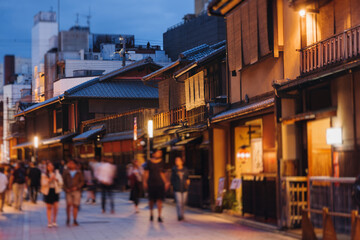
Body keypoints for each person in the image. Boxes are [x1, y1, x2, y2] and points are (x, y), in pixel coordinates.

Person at [143, 150, 169, 222]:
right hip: (151, 183)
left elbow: (163, 173)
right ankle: (151, 214)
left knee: (159, 200)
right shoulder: (149, 162)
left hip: (160, 183)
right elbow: (146, 173)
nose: (159, 154)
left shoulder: (162, 162)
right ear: (153, 154)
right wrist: (145, 181)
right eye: (158, 152)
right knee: (151, 200)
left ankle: (159, 216)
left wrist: (166, 182)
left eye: (160, 153)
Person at [41, 162, 63, 227]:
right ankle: (49, 221)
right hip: (48, 191)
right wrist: (50, 180)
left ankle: (54, 221)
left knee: (56, 206)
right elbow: (43, 184)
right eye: (49, 166)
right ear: (47, 167)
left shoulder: (57, 173)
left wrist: (56, 179)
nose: (50, 167)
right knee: (49, 207)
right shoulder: (44, 174)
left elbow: (61, 182)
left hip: (55, 190)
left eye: (51, 166)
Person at [63, 159, 84, 226]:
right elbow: (63, 182)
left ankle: (75, 219)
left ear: (75, 165)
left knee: (75, 205)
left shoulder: (79, 172)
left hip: (76, 191)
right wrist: (65, 189)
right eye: (69, 163)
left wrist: (77, 187)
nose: (70, 164)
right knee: (69, 204)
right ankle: (68, 218)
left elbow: (82, 181)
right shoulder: (66, 172)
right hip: (68, 190)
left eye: (72, 163)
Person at [171, 157, 190, 221]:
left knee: (183, 202)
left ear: (182, 162)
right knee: (179, 202)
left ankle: (182, 214)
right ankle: (180, 215)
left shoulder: (185, 169)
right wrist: (173, 186)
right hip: (177, 188)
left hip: (184, 188)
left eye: (179, 160)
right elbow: (172, 179)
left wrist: (187, 183)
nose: (177, 161)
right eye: (176, 160)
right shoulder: (174, 169)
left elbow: (187, 177)